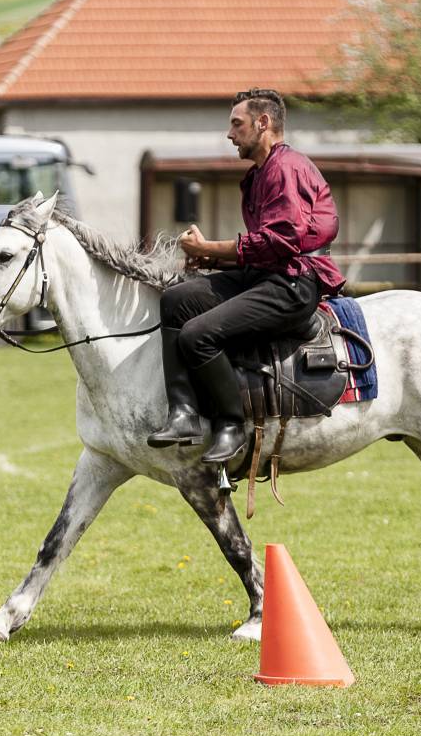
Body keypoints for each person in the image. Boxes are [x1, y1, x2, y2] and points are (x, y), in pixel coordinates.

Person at [147, 88, 344, 464]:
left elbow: (282, 241)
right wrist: (215, 263)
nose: (229, 134)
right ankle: (185, 414)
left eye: (236, 124)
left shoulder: (287, 168)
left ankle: (230, 426)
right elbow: (263, 249)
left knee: (197, 335)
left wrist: (209, 249)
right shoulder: (259, 175)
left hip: (294, 284)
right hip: (269, 275)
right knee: (176, 299)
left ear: (263, 123)